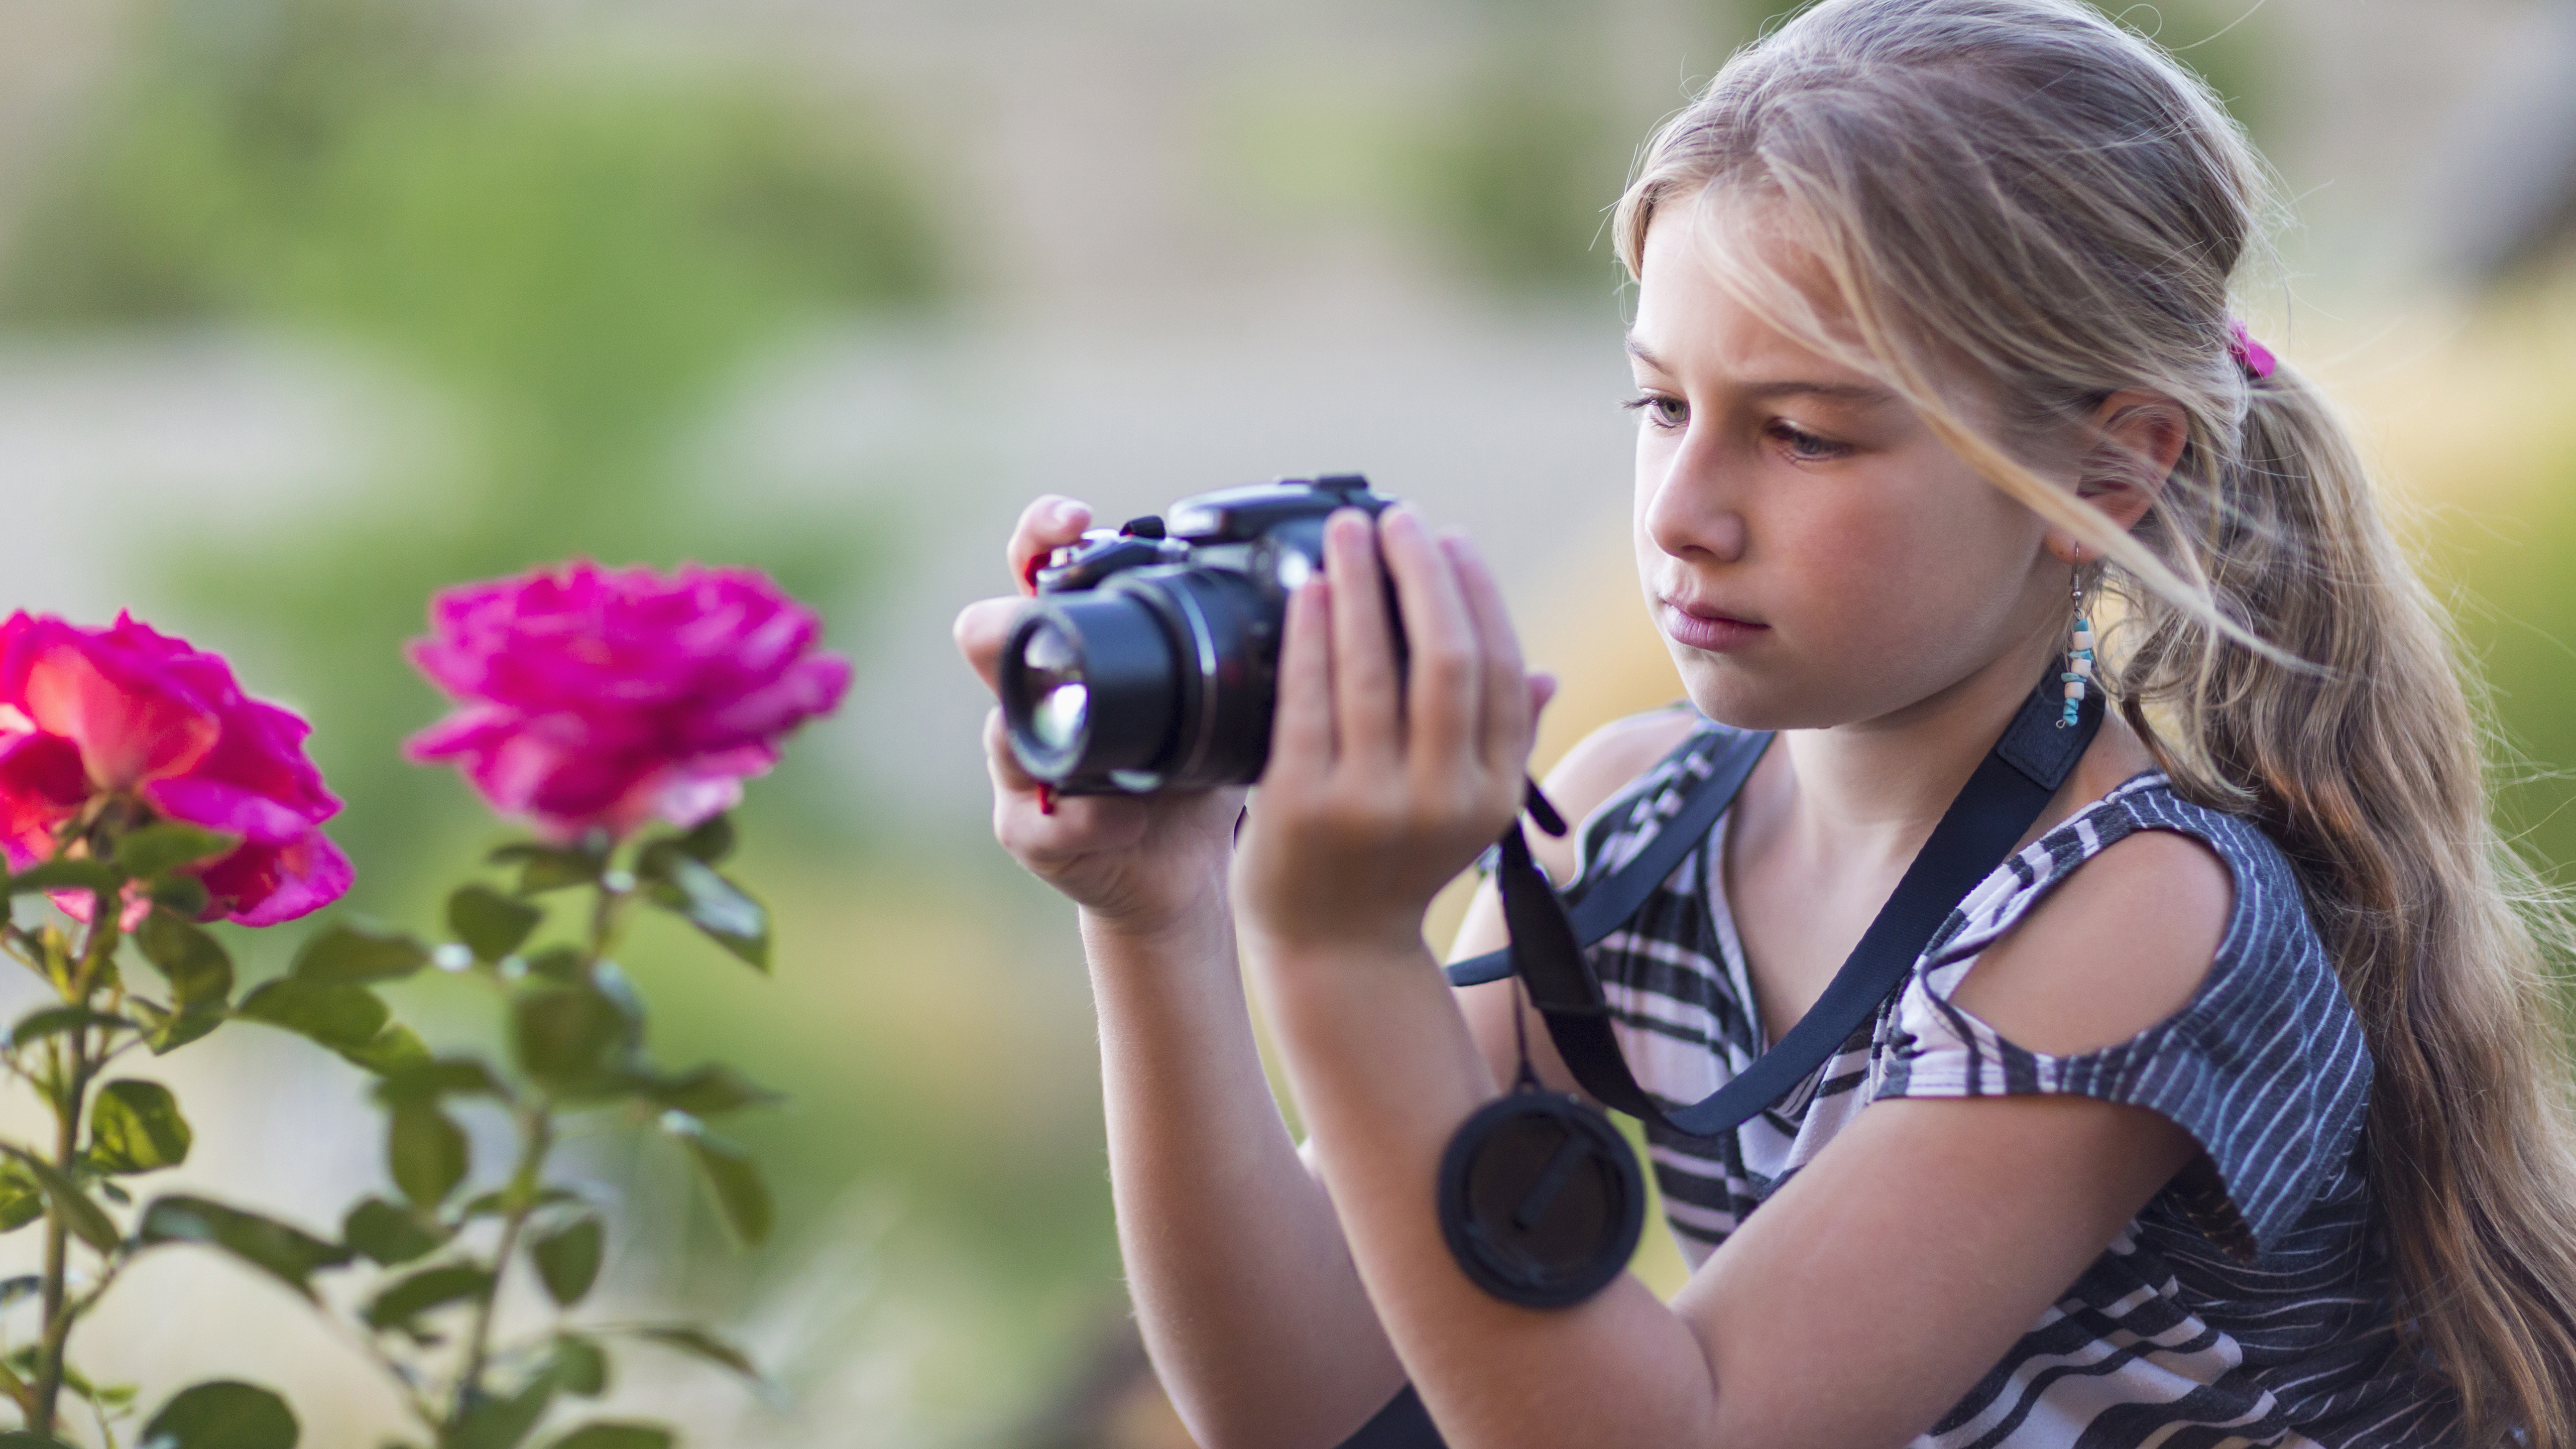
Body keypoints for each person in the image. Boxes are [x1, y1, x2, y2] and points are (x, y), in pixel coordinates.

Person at [952, 1, 2576, 1443]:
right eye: (1662, 405)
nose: (1681, 512)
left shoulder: (2138, 913)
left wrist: (1339, 952)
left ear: (2108, 473)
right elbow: (1300, 1407)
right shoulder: (1637, 822)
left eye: (1799, 434)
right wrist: (1158, 916)